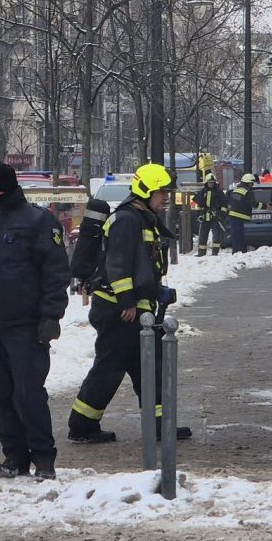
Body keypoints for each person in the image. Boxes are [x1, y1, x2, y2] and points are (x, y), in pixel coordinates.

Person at [0, 162, 71, 480]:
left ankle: (43, 459)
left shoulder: (38, 221)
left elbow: (56, 273)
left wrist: (51, 315)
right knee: (0, 393)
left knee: (28, 393)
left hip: (25, 325)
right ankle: (15, 456)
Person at [68, 163, 190, 446]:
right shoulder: (127, 220)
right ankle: (81, 425)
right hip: (119, 309)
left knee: (150, 366)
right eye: (161, 192)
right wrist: (128, 301)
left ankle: (160, 423)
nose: (166, 197)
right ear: (145, 190)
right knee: (110, 368)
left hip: (136, 307)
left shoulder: (142, 217)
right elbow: (118, 264)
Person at [192, 173, 228, 256]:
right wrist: (199, 213)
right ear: (206, 183)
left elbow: (224, 205)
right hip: (205, 216)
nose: (211, 184)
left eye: (212, 182)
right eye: (209, 182)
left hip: (215, 216)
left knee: (216, 235)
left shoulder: (219, 192)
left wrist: (220, 213)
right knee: (203, 235)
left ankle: (215, 253)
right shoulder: (203, 191)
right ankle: (201, 253)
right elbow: (198, 203)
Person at [226, 173, 257, 254]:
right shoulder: (248, 191)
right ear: (248, 182)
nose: (252, 185)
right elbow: (253, 203)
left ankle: (238, 250)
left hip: (233, 214)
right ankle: (238, 251)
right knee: (239, 234)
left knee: (236, 234)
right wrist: (264, 206)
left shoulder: (236, 190)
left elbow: (230, 200)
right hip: (240, 215)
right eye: (251, 183)